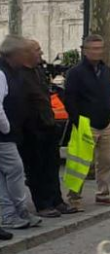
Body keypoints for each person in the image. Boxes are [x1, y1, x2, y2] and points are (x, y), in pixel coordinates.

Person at [19, 40, 76, 218]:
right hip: (31, 129)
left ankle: (56, 200)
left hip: (47, 125)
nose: (41, 53)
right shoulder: (18, 75)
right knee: (36, 169)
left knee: (52, 167)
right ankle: (42, 204)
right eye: (37, 50)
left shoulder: (38, 70)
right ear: (25, 53)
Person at [64, 34, 110, 208]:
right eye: (93, 49)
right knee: (80, 162)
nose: (97, 52)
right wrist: (77, 120)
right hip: (85, 124)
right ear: (85, 51)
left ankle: (103, 194)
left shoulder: (105, 70)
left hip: (106, 124)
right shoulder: (75, 73)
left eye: (100, 48)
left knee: (106, 162)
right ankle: (74, 197)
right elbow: (69, 99)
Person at [0, 36, 42, 231]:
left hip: (11, 132)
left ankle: (12, 213)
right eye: (26, 52)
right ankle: (15, 211)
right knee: (15, 171)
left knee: (6, 174)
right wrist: (6, 127)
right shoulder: (2, 73)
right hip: (4, 134)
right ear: (16, 55)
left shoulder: (14, 71)